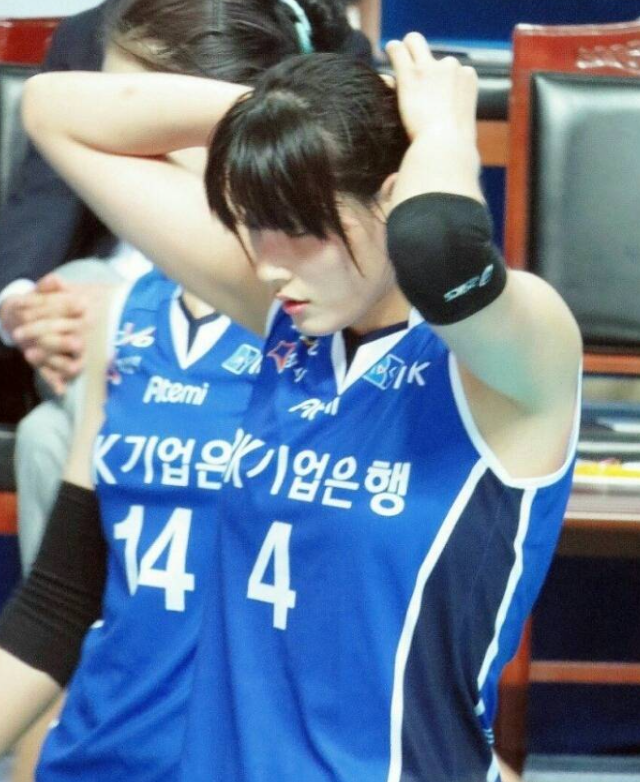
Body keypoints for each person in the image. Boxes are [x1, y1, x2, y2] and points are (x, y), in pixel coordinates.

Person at [18, 31, 581, 781]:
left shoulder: (513, 355)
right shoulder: (290, 319)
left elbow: (439, 247)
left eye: (299, 230)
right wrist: (286, 113)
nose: (266, 263)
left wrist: (442, 132)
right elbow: (53, 110)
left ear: (394, 194)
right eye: (251, 226)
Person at [0, 0, 366, 779]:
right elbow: (57, 604)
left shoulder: (334, 321)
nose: (105, 169)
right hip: (100, 757)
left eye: (131, 129)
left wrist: (273, 122)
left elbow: (52, 109)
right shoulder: (126, 319)